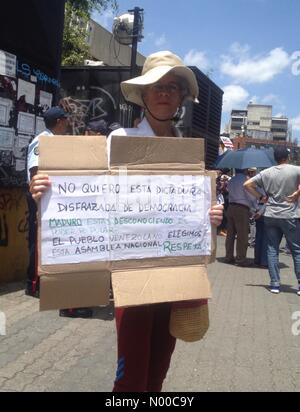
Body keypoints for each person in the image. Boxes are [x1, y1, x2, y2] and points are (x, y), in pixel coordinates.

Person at [29, 50, 223, 391]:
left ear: (180, 97)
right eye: (156, 86)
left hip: (178, 273)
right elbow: (83, 191)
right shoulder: (120, 141)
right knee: (132, 375)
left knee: (159, 369)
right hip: (135, 276)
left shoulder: (188, 148)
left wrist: (212, 215)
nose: (164, 93)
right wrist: (45, 188)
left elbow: (196, 210)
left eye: (172, 87)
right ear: (144, 95)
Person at [27, 107, 93, 318]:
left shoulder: (55, 140)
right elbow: (35, 172)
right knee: (39, 242)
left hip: (55, 199)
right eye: (65, 120)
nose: (67, 124)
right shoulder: (43, 141)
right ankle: (35, 284)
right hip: (42, 197)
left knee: (44, 241)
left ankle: (39, 284)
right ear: (59, 121)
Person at [244, 146, 300, 295]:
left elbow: (247, 185)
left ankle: (274, 284)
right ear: (287, 157)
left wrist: (260, 197)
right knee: (296, 251)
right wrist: (297, 193)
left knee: (272, 250)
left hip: (270, 215)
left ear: (275, 158)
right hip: (290, 215)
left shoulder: (266, 172)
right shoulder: (295, 170)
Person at [225, 169, 257, 266]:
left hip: (231, 207)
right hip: (241, 208)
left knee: (230, 234)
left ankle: (228, 256)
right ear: (245, 170)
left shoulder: (231, 180)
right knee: (242, 234)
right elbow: (251, 196)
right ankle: (240, 258)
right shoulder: (246, 180)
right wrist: (255, 207)